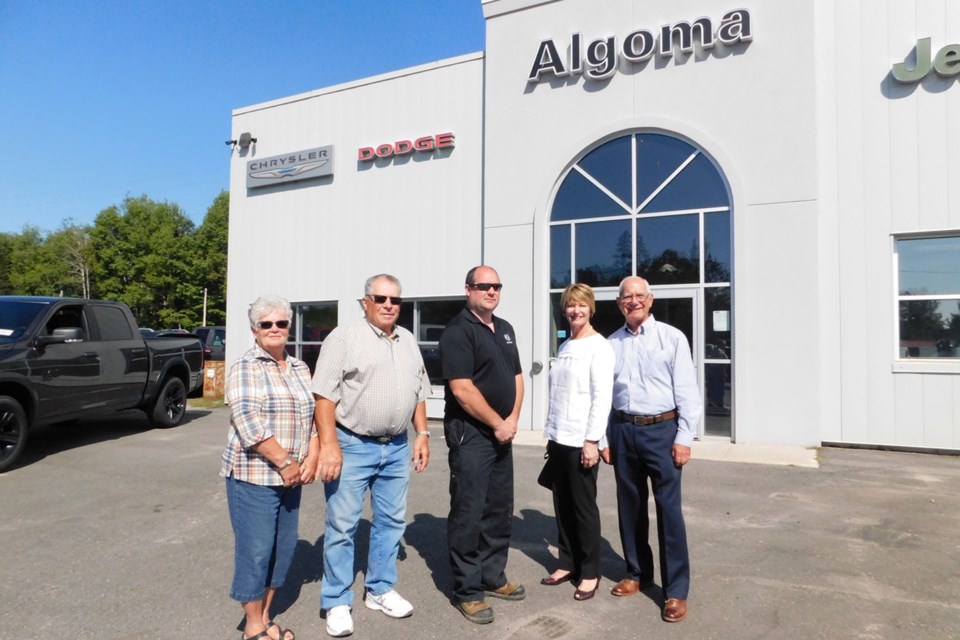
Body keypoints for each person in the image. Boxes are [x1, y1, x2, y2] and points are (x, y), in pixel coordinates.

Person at [311, 274, 431, 638]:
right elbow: (324, 396)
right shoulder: (345, 338)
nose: (389, 305)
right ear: (365, 302)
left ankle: (379, 588)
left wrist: (422, 433)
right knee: (343, 526)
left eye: (395, 299)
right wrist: (329, 445)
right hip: (352, 445)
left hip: (395, 447)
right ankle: (336, 600)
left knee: (392, 522)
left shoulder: (408, 340)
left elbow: (419, 390)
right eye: (381, 298)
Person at [221, 295, 318, 640]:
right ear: (254, 330)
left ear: (289, 327)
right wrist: (287, 462)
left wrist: (313, 456)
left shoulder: (300, 367)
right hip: (254, 476)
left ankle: (264, 616)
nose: (275, 329)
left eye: (281, 323)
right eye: (267, 324)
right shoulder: (246, 367)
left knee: (283, 549)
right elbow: (248, 421)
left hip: (292, 478)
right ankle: (253, 628)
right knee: (256, 549)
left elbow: (314, 419)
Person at [607, 276, 702, 623]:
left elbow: (688, 392)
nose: (633, 301)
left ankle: (675, 590)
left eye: (639, 296)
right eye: (626, 297)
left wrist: (684, 438)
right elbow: (604, 395)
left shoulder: (672, 338)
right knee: (629, 507)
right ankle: (637, 573)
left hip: (663, 430)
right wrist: (605, 438)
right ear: (619, 304)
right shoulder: (611, 343)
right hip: (622, 429)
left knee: (669, 513)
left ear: (650, 299)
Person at [439, 265, 525, 624]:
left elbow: (518, 378)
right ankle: (468, 590)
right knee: (469, 513)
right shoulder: (458, 331)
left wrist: (513, 420)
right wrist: (496, 423)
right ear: (468, 289)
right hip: (472, 435)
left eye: (496, 286)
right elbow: (462, 389)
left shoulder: (504, 329)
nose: (491, 292)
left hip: (502, 433)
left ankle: (493, 576)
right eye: (483, 286)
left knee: (499, 509)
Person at [541, 283, 615, 601]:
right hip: (559, 437)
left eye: (582, 305)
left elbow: (602, 398)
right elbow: (559, 395)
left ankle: (589, 572)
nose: (576, 310)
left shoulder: (599, 347)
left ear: (591, 308)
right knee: (562, 505)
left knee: (583, 508)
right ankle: (567, 562)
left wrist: (592, 441)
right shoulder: (567, 345)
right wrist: (551, 435)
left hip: (580, 440)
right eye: (570, 305)